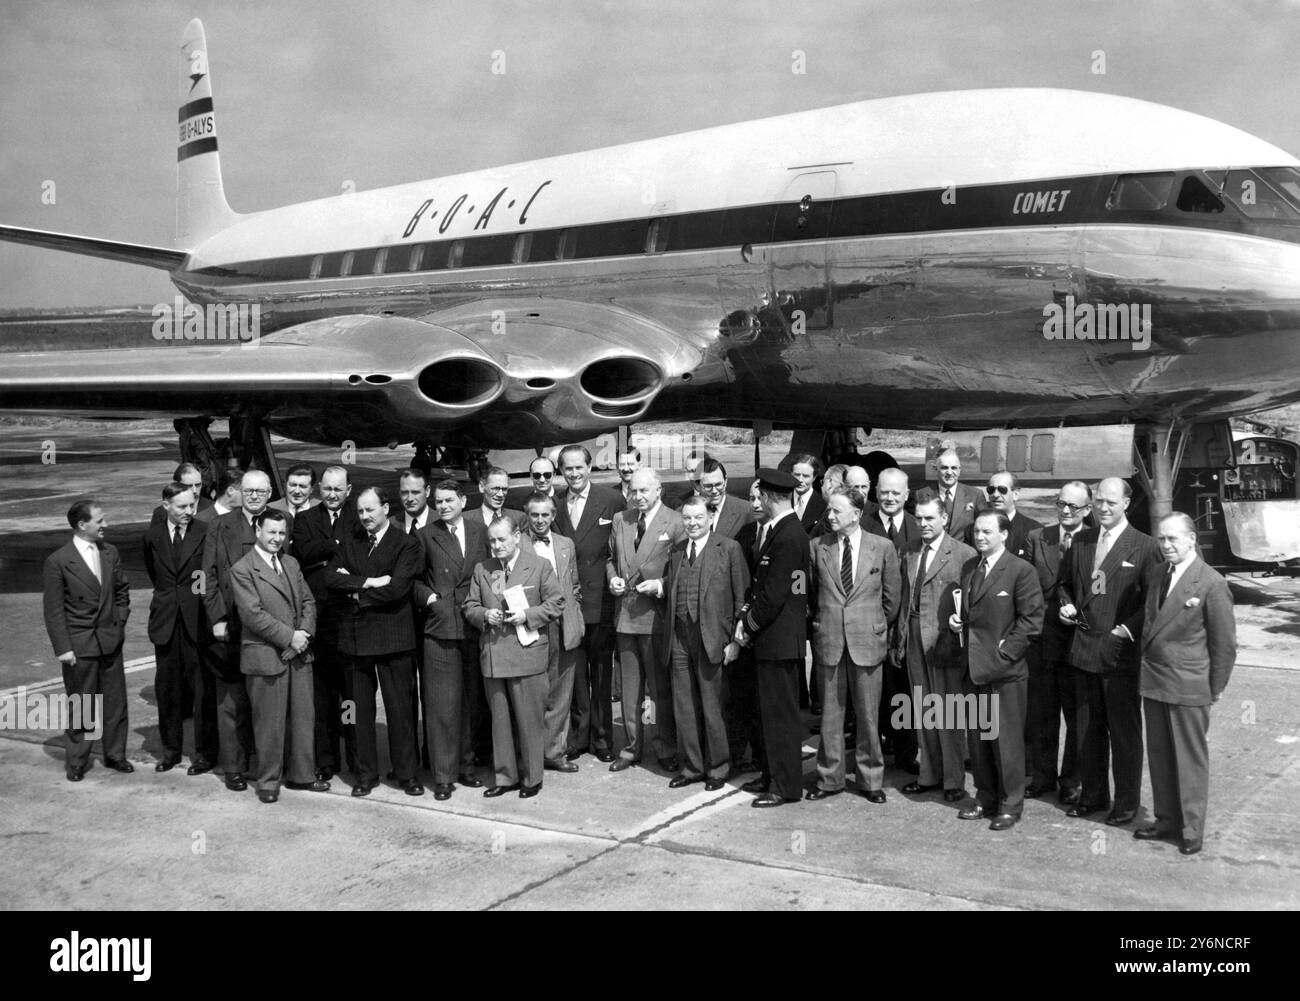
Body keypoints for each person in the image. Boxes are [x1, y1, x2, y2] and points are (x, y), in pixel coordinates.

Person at [1058, 477, 1161, 826]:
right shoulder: (1082, 540)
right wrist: (1066, 604)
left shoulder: (1145, 547)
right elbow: (1064, 584)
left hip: (1120, 656)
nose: (1103, 508)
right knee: (1088, 730)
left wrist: (1125, 630)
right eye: (1099, 500)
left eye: (1111, 502)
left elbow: (1152, 602)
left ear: (1126, 505)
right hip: (1084, 651)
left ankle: (1127, 802)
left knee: (1124, 733)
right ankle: (1093, 795)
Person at [1134, 513, 1236, 856]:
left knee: (1190, 762)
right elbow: (1151, 621)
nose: (1166, 546)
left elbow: (1224, 644)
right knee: (1160, 757)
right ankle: (1166, 820)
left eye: (1173, 539)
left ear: (1192, 539)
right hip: (1155, 680)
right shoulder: (1158, 573)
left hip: (1189, 685)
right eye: (1162, 539)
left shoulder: (1210, 582)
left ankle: (1192, 830)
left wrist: (1215, 686)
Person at [327, 486, 423, 797]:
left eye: (371, 510)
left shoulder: (406, 544)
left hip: (394, 638)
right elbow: (331, 577)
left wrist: (354, 593)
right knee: (357, 711)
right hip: (355, 640)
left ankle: (407, 774)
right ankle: (364, 774)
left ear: (385, 508)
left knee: (400, 712)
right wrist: (366, 582)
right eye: (361, 511)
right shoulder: (350, 540)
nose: (365, 516)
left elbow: (398, 589)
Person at [806, 486, 900, 803]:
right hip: (830, 640)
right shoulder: (817, 547)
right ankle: (829, 778)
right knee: (831, 715)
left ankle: (870, 779)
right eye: (828, 510)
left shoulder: (883, 548)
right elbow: (810, 593)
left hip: (867, 641)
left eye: (836, 511)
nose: (829, 516)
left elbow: (892, 600)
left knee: (868, 716)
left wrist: (872, 626)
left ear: (856, 514)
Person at [951, 511, 1044, 831]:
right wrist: (957, 622)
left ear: (1004, 534)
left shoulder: (1021, 571)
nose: (980, 537)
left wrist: (1006, 653)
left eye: (988, 531)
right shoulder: (969, 568)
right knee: (979, 742)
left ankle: (1010, 805)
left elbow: (1032, 621)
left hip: (1005, 673)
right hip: (974, 670)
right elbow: (971, 613)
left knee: (1006, 742)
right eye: (977, 531)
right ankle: (986, 797)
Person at [230, 510, 325, 803]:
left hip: (298, 654)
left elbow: (309, 601)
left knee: (302, 718)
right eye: (271, 532)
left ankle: (301, 775)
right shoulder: (243, 569)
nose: (276, 539)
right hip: (268, 656)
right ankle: (268, 781)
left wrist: (305, 633)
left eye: (282, 534)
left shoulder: (291, 562)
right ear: (257, 530)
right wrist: (290, 637)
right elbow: (253, 615)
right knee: (269, 723)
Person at [464, 516, 563, 798]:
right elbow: (470, 604)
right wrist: (484, 614)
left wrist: (528, 615)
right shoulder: (484, 568)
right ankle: (505, 777)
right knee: (500, 722)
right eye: (492, 541)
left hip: (527, 654)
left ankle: (532, 778)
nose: (496, 546)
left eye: (502, 540)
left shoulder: (539, 565)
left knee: (529, 720)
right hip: (495, 656)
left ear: (517, 536)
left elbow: (557, 602)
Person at [735, 468, 811, 807]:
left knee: (781, 718)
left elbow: (775, 594)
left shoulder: (790, 535)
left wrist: (746, 627)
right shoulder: (780, 531)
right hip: (770, 640)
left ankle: (785, 786)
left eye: (759, 497)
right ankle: (770, 775)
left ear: (768, 497)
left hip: (779, 641)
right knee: (767, 714)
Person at [662, 496, 749, 791]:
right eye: (687, 518)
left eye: (699, 517)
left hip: (713, 637)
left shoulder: (729, 549)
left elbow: (742, 598)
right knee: (684, 705)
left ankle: (719, 767)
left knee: (714, 706)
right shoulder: (675, 552)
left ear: (710, 518)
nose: (693, 523)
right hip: (680, 638)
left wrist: (736, 641)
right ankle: (692, 766)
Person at [42, 500, 132, 781]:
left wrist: (118, 621)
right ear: (82, 525)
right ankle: (78, 760)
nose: (105, 525)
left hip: (109, 640)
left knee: (115, 703)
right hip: (80, 645)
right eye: (99, 521)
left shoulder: (110, 552)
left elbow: (121, 590)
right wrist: (63, 648)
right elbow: (54, 609)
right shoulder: (58, 561)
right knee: (82, 704)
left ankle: (115, 754)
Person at [202, 470, 280, 790]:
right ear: (239, 493)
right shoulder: (220, 525)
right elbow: (207, 575)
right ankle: (233, 766)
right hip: (232, 626)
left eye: (261, 492)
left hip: (268, 626)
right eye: (249, 491)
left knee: (264, 702)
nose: (255, 496)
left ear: (270, 492)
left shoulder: (280, 521)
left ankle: (265, 765)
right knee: (231, 701)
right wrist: (217, 618)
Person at [896, 489, 975, 801]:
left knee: (949, 712)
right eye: (919, 519)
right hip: (914, 634)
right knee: (924, 708)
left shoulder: (963, 554)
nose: (924, 524)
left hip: (944, 640)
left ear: (944, 518)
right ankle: (929, 773)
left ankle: (954, 781)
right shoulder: (909, 550)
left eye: (930, 518)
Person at [411, 479, 488, 800]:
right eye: (438, 501)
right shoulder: (425, 535)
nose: (442, 506)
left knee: (471, 702)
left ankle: (466, 767)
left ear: (463, 500)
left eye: (449, 501)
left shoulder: (479, 532)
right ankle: (443, 776)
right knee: (443, 705)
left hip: (474, 628)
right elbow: (412, 580)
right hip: (440, 630)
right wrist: (430, 600)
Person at [607, 468, 685, 773]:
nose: (637, 496)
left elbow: (680, 570)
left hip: (655, 617)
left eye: (644, 491)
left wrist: (661, 586)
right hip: (625, 615)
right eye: (633, 491)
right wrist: (612, 579)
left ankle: (665, 745)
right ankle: (630, 747)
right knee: (630, 688)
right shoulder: (621, 520)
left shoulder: (675, 522)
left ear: (658, 491)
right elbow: (610, 559)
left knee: (659, 688)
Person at [552, 445, 622, 763]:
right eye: (568, 469)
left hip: (601, 602)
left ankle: (603, 738)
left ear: (590, 468)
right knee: (577, 675)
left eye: (579, 468)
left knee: (602, 672)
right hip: (570, 605)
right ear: (561, 472)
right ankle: (579, 737)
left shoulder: (611, 500)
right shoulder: (554, 505)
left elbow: (618, 550)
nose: (574, 474)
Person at [1024, 480, 1091, 803]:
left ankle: (1071, 781)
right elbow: (1028, 589)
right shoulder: (1039, 538)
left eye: (1073, 506)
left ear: (1087, 510)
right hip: (1043, 642)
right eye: (1061, 503)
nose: (1065, 511)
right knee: (1042, 714)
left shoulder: (1096, 542)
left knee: (1077, 717)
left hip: (1080, 643)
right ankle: (1042, 777)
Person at [290, 464, 359, 781]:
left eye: (338, 489)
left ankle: (359, 761)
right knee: (323, 698)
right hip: (319, 620)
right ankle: (327, 761)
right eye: (327, 489)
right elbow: (304, 553)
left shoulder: (358, 517)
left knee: (353, 697)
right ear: (320, 489)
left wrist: (327, 554)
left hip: (351, 621)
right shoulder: (304, 519)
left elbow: (360, 558)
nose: (332, 494)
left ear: (348, 490)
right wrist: (335, 546)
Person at [142, 482, 215, 775]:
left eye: (192, 505)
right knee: (168, 691)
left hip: (197, 623)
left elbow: (209, 575)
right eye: (182, 506)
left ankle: (205, 753)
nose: (189, 511)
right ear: (166, 506)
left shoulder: (205, 532)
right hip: (167, 623)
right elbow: (155, 574)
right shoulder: (153, 536)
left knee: (203, 692)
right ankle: (170, 751)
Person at [520, 492, 583, 773]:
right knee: (534, 693)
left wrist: (575, 616)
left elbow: (574, 584)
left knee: (561, 693)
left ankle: (555, 752)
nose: (540, 520)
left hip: (564, 625)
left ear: (554, 516)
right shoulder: (517, 543)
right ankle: (531, 754)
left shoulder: (566, 544)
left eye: (546, 515)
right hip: (533, 626)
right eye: (535, 515)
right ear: (527, 516)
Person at [865, 467, 920, 772]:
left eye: (896, 493)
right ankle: (873, 752)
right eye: (884, 492)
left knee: (903, 693)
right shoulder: (863, 525)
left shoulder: (917, 526)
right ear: (875, 492)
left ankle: (905, 752)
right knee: (873, 695)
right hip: (871, 625)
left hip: (905, 629)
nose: (889, 498)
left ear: (906, 495)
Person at [725, 480, 767, 773]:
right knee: (740, 696)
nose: (754, 504)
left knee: (761, 701)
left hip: (764, 628)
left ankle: (761, 756)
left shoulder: (781, 534)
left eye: (759, 497)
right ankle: (739, 754)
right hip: (744, 626)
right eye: (751, 498)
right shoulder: (746, 533)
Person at [968, 471, 1040, 560]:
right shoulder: (972, 530)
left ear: (1015, 494)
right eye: (991, 490)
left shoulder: (1034, 530)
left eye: (1002, 490)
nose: (995, 495)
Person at [930, 449, 984, 542]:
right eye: (944, 468)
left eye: (954, 468)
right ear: (936, 469)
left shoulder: (975, 495)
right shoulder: (921, 495)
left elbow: (984, 528)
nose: (950, 472)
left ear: (959, 470)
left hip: (965, 554)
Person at [696, 458, 753, 540]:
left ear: (726, 482)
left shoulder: (746, 510)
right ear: (698, 486)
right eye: (708, 486)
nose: (714, 491)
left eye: (718, 484)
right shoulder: (683, 513)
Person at [149, 462, 213, 526]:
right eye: (189, 486)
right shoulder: (161, 513)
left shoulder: (213, 509)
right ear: (176, 484)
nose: (194, 491)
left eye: (198, 485)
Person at [466, 465, 524, 530]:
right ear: (482, 487)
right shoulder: (464, 519)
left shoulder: (519, 518)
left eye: (504, 489)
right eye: (495, 488)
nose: (500, 494)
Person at [789, 453, 827, 536]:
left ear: (814, 477)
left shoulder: (823, 506)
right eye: (797, 475)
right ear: (791, 474)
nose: (800, 480)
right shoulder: (782, 499)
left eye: (806, 476)